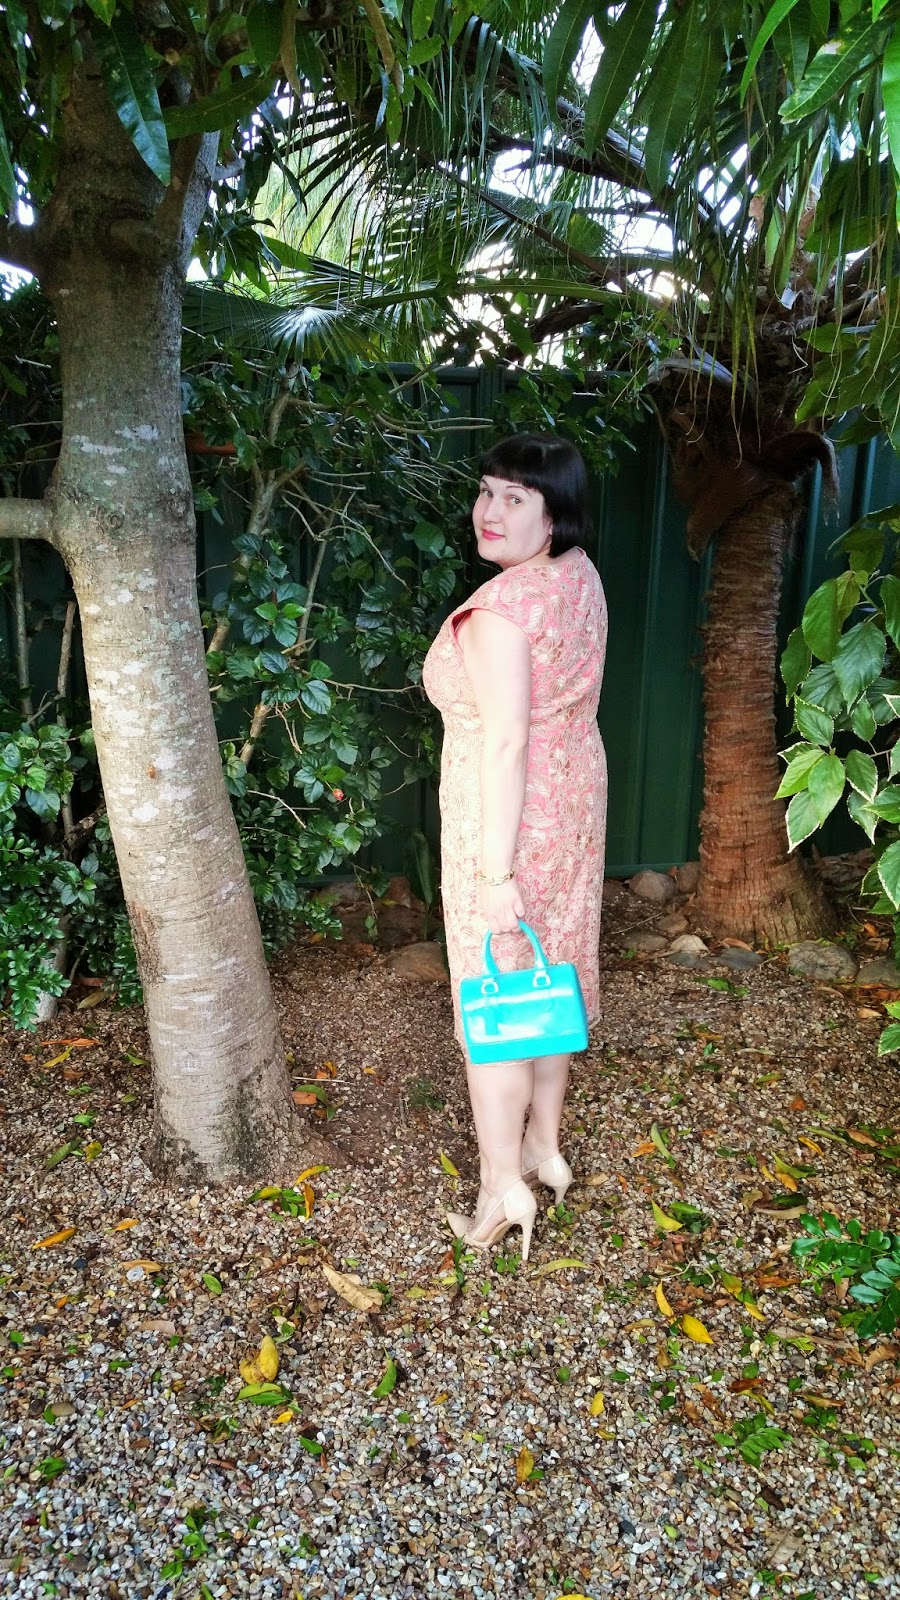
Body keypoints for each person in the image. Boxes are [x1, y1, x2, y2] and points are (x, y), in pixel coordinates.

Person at [422, 432, 608, 1261]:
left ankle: (503, 1187)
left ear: (553, 514)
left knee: (496, 1001)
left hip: (507, 825)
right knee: (549, 978)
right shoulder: (578, 577)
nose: (489, 512)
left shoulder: (499, 613)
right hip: (572, 810)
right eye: (486, 491)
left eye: (515, 498)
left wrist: (494, 873)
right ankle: (544, 1148)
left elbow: (505, 744)